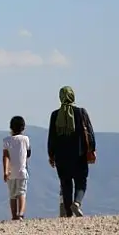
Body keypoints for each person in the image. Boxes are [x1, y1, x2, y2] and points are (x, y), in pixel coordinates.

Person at [47, 86, 96, 218]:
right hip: (79, 155)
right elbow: (89, 133)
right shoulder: (81, 112)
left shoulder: (55, 115)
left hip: (61, 156)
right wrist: (92, 149)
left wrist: (51, 155)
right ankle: (77, 203)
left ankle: (68, 213)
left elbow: (51, 137)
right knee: (81, 181)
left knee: (65, 183)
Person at [2, 115, 31, 220]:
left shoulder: (6, 140)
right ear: (23, 128)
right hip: (22, 172)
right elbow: (28, 153)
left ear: (11, 127)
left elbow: (5, 157)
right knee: (21, 193)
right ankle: (21, 213)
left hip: (10, 173)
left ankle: (14, 216)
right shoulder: (25, 139)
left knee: (12, 195)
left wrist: (5, 171)